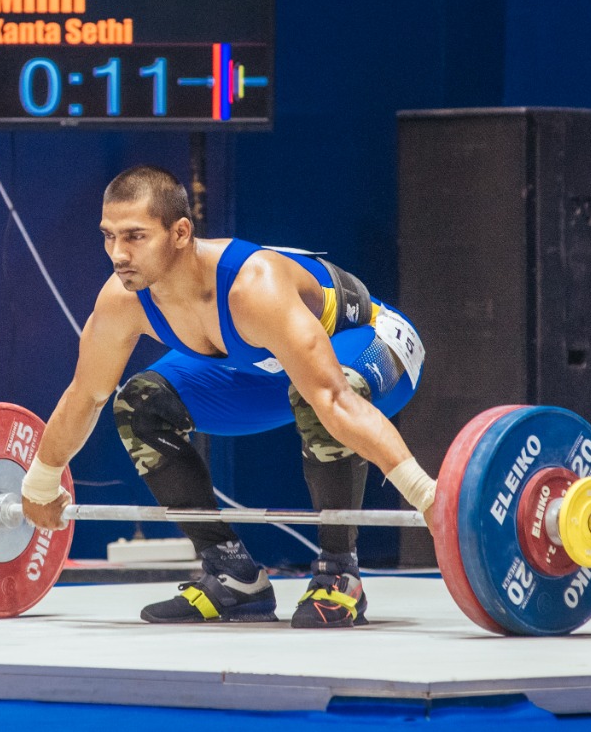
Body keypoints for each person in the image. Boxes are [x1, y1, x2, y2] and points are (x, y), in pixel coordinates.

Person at [22, 166, 435, 628]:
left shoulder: (252, 287)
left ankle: (340, 574)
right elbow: (85, 396)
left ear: (180, 232)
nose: (118, 254)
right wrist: (39, 483)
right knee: (140, 404)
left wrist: (429, 500)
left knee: (318, 396)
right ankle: (232, 576)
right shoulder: (123, 299)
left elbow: (334, 400)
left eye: (135, 236)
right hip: (268, 370)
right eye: (109, 236)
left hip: (376, 350)